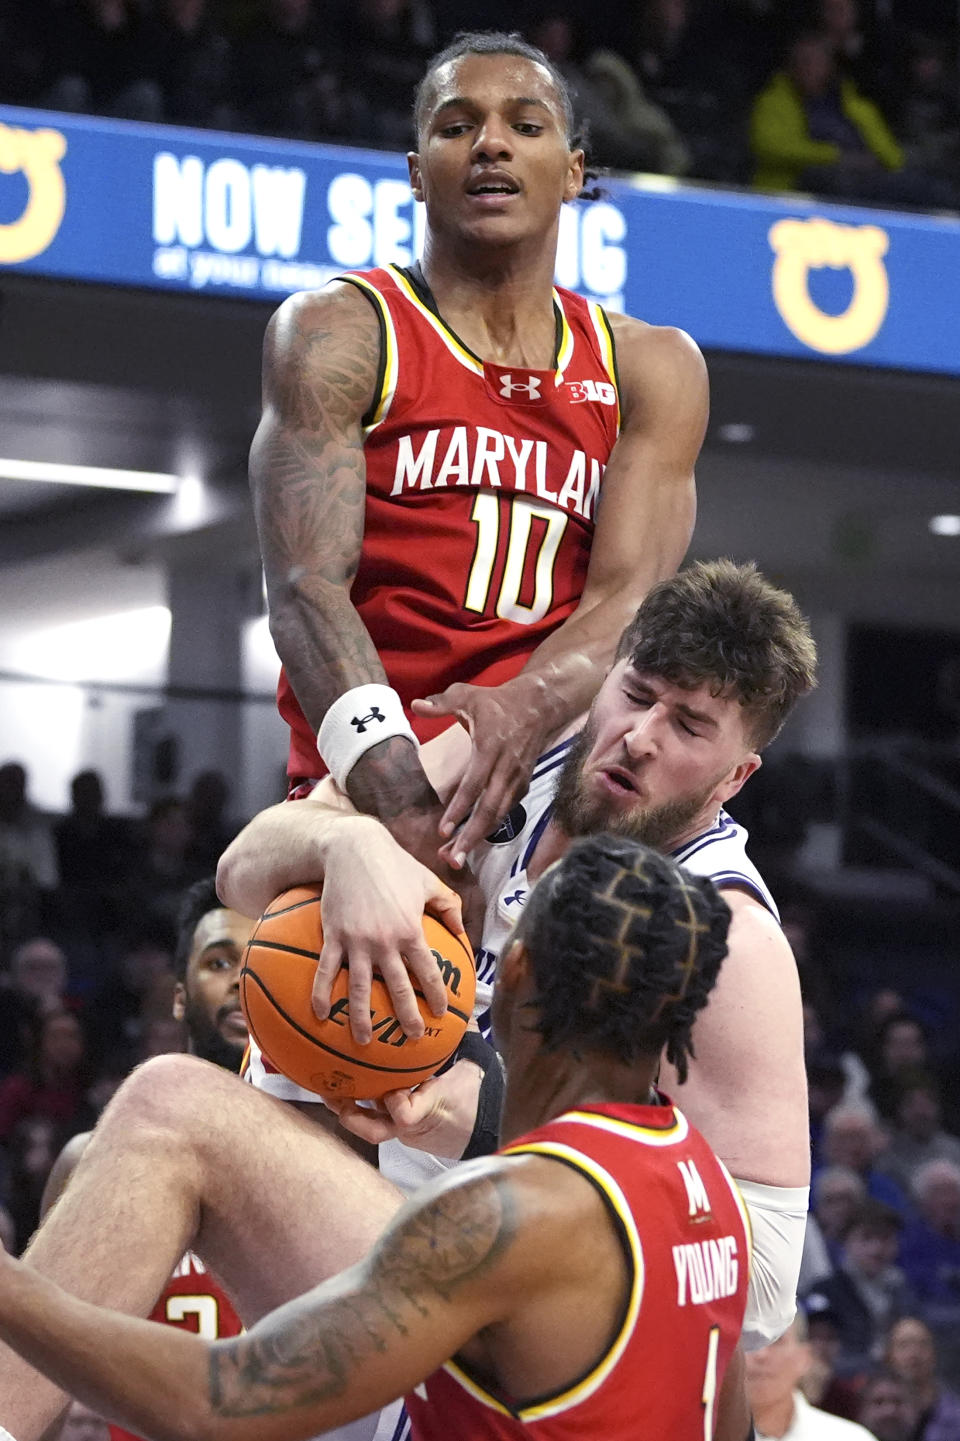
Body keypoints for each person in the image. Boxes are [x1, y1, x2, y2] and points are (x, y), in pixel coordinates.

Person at [0, 560, 811, 1441]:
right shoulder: (511, 752)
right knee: (99, 1164)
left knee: (169, 1107)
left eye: (689, 725)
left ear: (738, 774)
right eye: (636, 693)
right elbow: (240, 870)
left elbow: (756, 1285)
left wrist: (466, 1121)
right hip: (402, 1231)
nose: (640, 737)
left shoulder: (731, 939)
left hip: (505, 1299)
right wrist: (349, 844)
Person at [0, 837, 753, 1441]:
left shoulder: (508, 1215)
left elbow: (220, 1400)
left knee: (174, 1096)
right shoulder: (707, 1186)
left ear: (514, 969)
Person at [255, 30, 707, 869]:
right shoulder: (340, 331)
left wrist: (519, 707)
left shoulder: (651, 367)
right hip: (362, 790)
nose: (491, 142)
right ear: (418, 171)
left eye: (525, 126)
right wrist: (402, 796)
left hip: (551, 787)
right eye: (458, 125)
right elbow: (305, 588)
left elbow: (630, 596)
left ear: (574, 171)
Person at [39, 881, 254, 1441]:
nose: (240, 979)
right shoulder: (91, 1163)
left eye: (260, 962)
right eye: (219, 960)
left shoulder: (338, 1164)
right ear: (179, 995)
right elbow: (38, 1379)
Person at [746, 1314, 876, 1441]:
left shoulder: (850, 1437)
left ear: (804, 1357)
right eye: (747, 1340)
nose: (760, 1354)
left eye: (776, 1340)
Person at [883, 1316, 960, 1441]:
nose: (914, 1354)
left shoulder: (956, 1414)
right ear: (888, 1355)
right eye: (904, 1345)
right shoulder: (877, 1411)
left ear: (934, 1354)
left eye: (922, 1344)